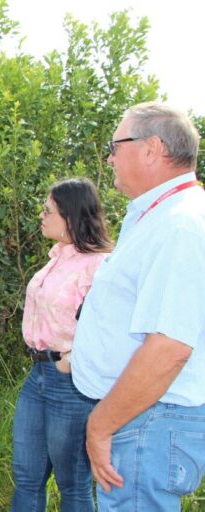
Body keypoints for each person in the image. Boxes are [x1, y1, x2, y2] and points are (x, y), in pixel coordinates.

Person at [72, 102, 205, 511]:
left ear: (151, 149)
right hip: (142, 417)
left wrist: (101, 425)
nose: (110, 157)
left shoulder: (180, 224)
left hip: (147, 420)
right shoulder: (156, 216)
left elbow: (169, 347)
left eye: (115, 146)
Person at [10, 178, 112, 511]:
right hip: (38, 375)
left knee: (73, 484)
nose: (41, 215)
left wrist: (71, 359)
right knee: (26, 476)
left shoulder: (99, 264)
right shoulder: (56, 258)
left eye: (47, 210)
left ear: (69, 216)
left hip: (71, 382)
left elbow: (106, 325)